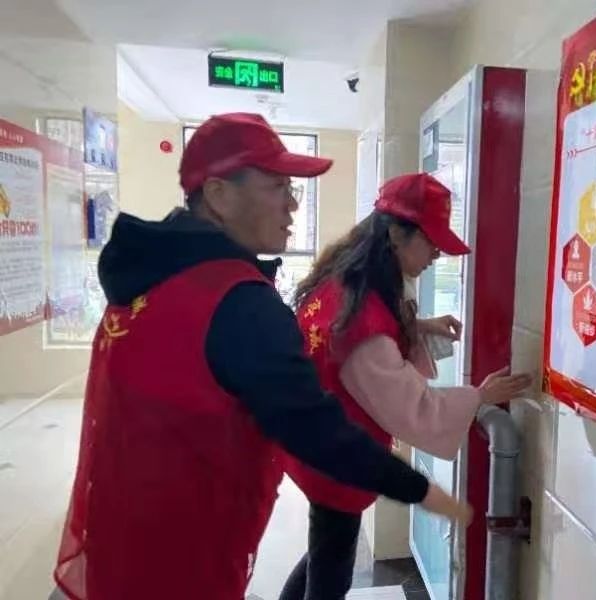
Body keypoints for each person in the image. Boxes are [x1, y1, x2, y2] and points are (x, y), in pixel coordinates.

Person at [53, 114, 471, 600]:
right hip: (182, 558)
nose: (292, 204)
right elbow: (319, 432)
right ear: (218, 194)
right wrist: (424, 491)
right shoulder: (238, 301)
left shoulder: (150, 272)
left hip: (119, 537)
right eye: (277, 187)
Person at [279, 173, 532, 600]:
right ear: (397, 234)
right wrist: (479, 397)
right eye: (431, 242)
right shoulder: (363, 319)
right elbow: (411, 407)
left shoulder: (345, 281)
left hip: (316, 442)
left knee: (324, 550)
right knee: (330, 573)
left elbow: (366, 339)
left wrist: (419, 325)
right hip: (338, 459)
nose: (437, 254)